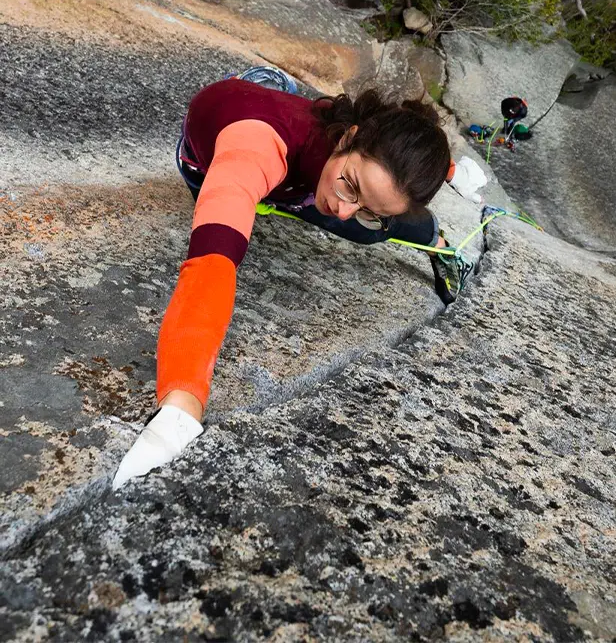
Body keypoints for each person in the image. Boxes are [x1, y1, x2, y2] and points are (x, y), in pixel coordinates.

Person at [113, 69, 485, 490]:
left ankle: (437, 242)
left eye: (368, 207)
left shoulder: (358, 150)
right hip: (214, 155)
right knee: (259, 212)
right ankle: (262, 87)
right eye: (352, 186)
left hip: (305, 167)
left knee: (368, 230)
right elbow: (212, 263)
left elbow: (402, 140)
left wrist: (449, 171)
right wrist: (180, 409)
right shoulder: (255, 146)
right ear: (349, 138)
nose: (344, 209)